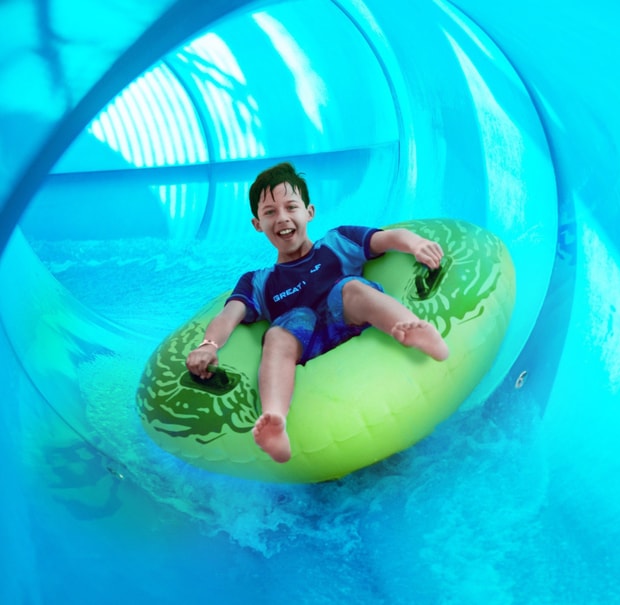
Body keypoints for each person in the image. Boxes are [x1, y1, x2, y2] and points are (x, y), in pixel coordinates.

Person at [185, 162, 449, 464]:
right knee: (278, 334)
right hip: (302, 339)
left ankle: (408, 327)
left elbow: (387, 238)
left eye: (291, 207)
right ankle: (274, 419)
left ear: (309, 212)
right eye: (270, 212)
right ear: (257, 224)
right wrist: (208, 345)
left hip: (346, 316)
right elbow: (228, 316)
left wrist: (417, 244)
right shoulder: (258, 281)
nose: (282, 218)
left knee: (351, 288)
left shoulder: (337, 242)